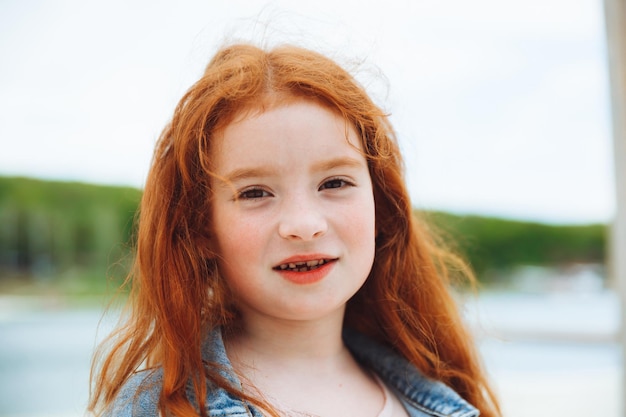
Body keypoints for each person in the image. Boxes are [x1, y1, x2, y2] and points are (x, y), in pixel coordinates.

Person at [89, 42, 501, 417]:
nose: (304, 225)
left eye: (334, 183)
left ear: (382, 204)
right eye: (254, 193)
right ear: (202, 228)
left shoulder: (443, 397)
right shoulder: (155, 409)